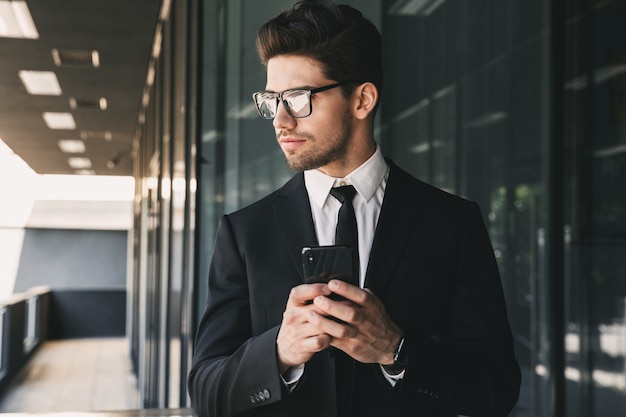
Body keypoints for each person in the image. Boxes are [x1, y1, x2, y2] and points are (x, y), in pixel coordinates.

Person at [188, 3, 521, 417]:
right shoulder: (244, 232)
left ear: (362, 100)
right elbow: (205, 392)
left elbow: (497, 388)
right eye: (272, 100)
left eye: (297, 98)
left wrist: (395, 349)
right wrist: (279, 353)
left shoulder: (451, 224)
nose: (280, 120)